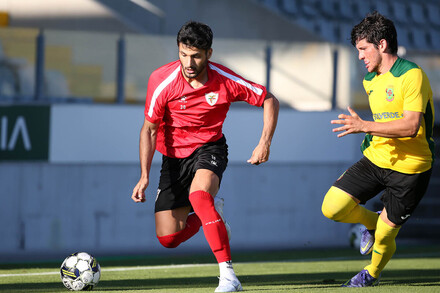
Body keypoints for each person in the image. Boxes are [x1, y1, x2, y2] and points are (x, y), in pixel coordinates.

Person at [131, 20, 279, 292]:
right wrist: (144, 176)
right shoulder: (161, 80)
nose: (188, 62)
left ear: (208, 54)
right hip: (173, 158)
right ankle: (212, 214)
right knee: (168, 238)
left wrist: (264, 143)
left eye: (196, 56)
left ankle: (228, 276)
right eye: (183, 54)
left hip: (209, 148)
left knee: (199, 196)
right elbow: (149, 130)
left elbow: (269, 99)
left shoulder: (224, 80)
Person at [321, 11, 434, 287]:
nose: (360, 56)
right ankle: (372, 222)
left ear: (381, 44)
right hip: (376, 159)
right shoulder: (370, 80)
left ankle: (370, 273)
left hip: (411, 168)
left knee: (385, 236)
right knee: (332, 208)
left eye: (363, 49)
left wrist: (364, 126)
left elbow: (410, 127)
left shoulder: (412, 75)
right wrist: (367, 130)